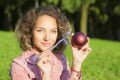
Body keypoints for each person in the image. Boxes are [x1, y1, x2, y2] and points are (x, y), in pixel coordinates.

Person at [10, 5, 92, 80]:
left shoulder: (60, 59)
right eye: (40, 30)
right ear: (30, 32)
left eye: (53, 31)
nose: (47, 38)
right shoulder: (19, 66)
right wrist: (45, 75)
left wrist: (77, 63)